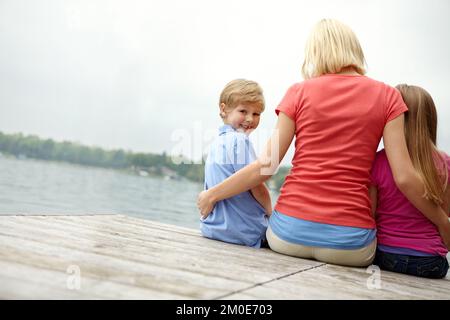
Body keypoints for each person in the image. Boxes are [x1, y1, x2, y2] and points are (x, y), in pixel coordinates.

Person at [198, 19, 450, 267]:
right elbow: (404, 177)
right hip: (351, 245)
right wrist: (443, 222)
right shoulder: (388, 96)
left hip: (286, 235)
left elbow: (267, 165)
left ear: (315, 53)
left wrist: (212, 195)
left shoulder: (297, 92)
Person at [370, 84, 450, 278]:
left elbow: (370, 215)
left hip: (384, 255)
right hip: (430, 261)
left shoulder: (378, 161)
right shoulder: (444, 164)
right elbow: (445, 213)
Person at [200, 79, 272, 248]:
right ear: (224, 109)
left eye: (256, 114)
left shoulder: (217, 143)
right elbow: (257, 187)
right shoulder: (239, 141)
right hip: (244, 231)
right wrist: (271, 213)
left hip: (213, 229)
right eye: (243, 111)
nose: (250, 119)